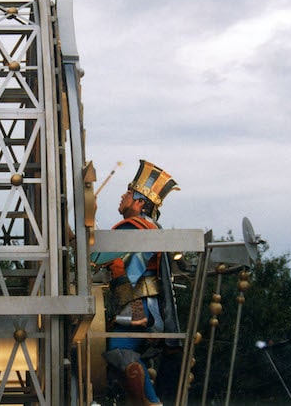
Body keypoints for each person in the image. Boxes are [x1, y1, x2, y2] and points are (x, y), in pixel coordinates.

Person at [96, 160, 180, 406]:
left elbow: (96, 257)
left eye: (128, 193)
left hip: (138, 306)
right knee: (120, 355)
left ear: (140, 202)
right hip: (139, 303)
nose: (122, 196)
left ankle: (152, 403)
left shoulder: (134, 227)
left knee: (120, 352)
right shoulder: (149, 227)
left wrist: (85, 223)